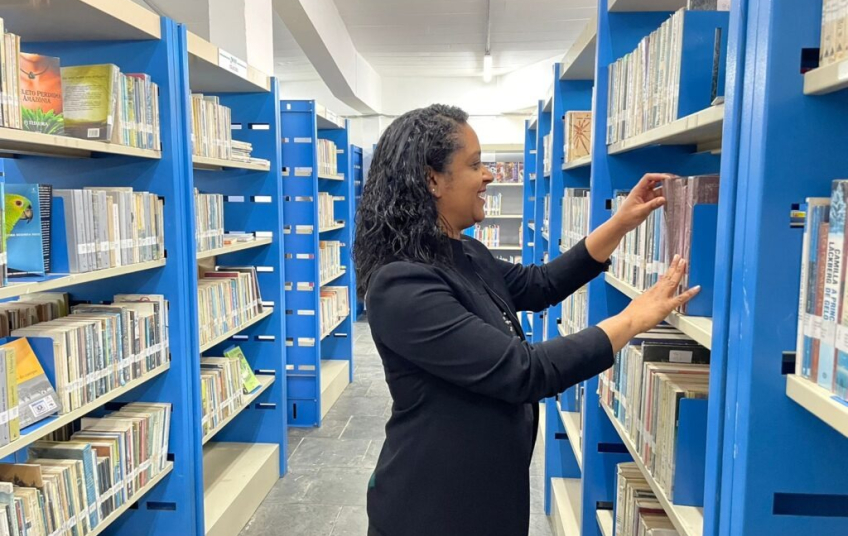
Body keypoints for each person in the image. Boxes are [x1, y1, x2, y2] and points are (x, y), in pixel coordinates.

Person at [353, 104, 699, 536]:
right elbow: (524, 371)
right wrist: (631, 320)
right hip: (432, 508)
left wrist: (620, 224)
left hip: (485, 495)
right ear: (432, 180)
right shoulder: (402, 285)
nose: (488, 176)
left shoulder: (467, 252)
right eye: (475, 165)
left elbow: (540, 284)